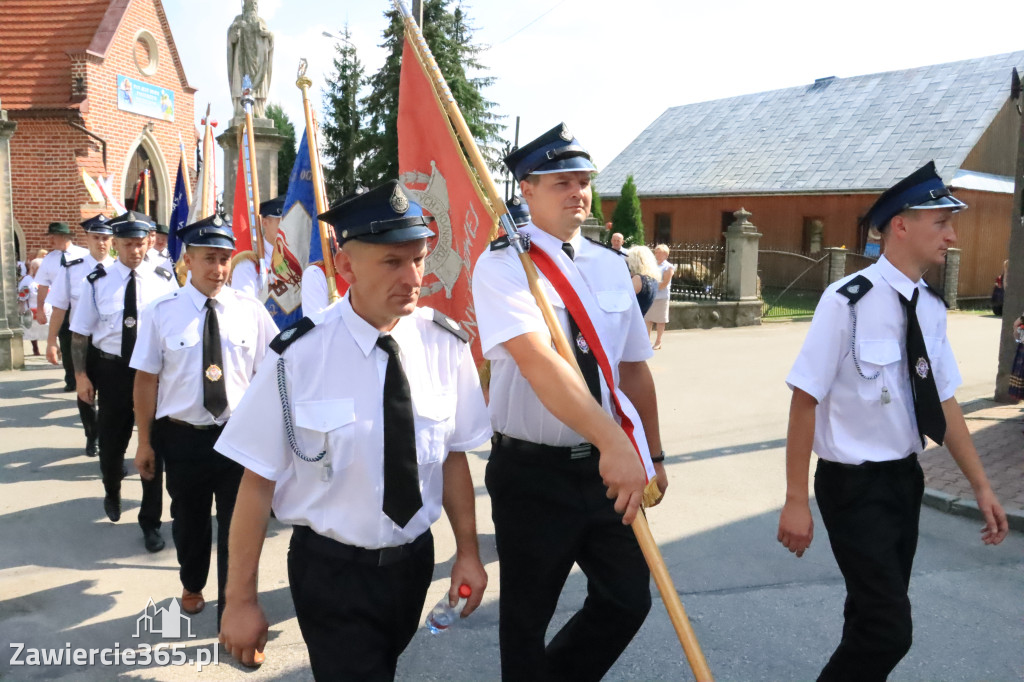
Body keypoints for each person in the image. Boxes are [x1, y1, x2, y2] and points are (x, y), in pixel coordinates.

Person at [217, 180, 491, 678]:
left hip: (412, 567)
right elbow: (256, 483)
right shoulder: (298, 356)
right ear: (346, 267)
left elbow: (452, 457)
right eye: (392, 262)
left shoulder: (443, 346)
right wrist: (240, 601)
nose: (412, 277)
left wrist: (467, 553)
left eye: (419, 258)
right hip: (332, 574)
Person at [777, 161, 1009, 682]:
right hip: (852, 486)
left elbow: (944, 403)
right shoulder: (847, 303)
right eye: (940, 222)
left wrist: (982, 486)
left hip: (904, 480)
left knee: (867, 620)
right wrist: (795, 500)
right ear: (900, 225)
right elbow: (804, 399)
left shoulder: (930, 307)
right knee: (888, 629)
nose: (952, 235)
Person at [472, 123, 667, 681]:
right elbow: (539, 364)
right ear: (526, 191)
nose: (577, 191)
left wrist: (652, 450)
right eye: (561, 181)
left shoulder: (612, 265)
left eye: (583, 181)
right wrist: (616, 443)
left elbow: (632, 367)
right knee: (526, 620)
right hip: (534, 473)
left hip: (608, 471)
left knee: (628, 600)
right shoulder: (505, 266)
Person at [130, 214, 278, 626]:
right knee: (190, 523)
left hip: (238, 435)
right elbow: (145, 380)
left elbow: (273, 373)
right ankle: (192, 582)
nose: (218, 269)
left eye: (225, 259)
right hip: (183, 439)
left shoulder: (250, 311)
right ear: (187, 261)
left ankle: (234, 606)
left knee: (239, 525)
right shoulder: (161, 312)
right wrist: (144, 442)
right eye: (209, 259)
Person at [69, 211, 178, 553]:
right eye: (128, 244)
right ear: (115, 244)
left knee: (153, 446)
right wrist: (81, 376)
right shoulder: (97, 281)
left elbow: (175, 326)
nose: (135, 250)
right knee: (112, 444)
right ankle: (112, 487)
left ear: (148, 242)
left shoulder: (163, 278)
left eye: (140, 243)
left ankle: (150, 521)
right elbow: (80, 334)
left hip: (151, 372)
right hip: (112, 372)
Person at [46, 215, 115, 457]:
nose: (102, 243)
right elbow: (59, 307)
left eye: (106, 238)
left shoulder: (120, 271)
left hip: (110, 344)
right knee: (85, 392)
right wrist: (50, 342)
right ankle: (91, 435)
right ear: (87, 239)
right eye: (96, 238)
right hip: (81, 342)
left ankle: (109, 443)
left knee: (112, 398)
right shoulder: (72, 268)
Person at [35, 222, 89, 390]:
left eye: (53, 236)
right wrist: (40, 309)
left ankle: (89, 375)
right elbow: (43, 285)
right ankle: (71, 379)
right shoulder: (49, 260)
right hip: (62, 308)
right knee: (66, 343)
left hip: (81, 305)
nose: (50, 239)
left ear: (64, 237)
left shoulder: (85, 254)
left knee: (87, 342)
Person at [230, 197, 283, 300]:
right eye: (280, 222)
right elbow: (245, 308)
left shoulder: (298, 258)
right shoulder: (248, 264)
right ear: (264, 223)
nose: (286, 227)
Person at [645, 244, 675, 350]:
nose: (656, 254)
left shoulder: (668, 267)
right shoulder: (651, 265)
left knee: (660, 320)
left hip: (661, 297)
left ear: (665, 254)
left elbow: (664, 283)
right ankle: (646, 341)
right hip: (651, 296)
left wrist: (652, 285)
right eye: (655, 252)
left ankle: (658, 341)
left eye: (659, 252)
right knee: (647, 319)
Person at [19, 260, 46, 356]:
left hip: (46, 309)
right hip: (32, 309)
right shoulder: (27, 280)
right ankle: (35, 348)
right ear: (33, 269)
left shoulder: (46, 278)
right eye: (38, 268)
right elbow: (22, 295)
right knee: (33, 331)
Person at [627, 245, 660, 316]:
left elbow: (623, 300)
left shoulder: (638, 279)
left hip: (631, 320)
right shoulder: (653, 279)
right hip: (640, 319)